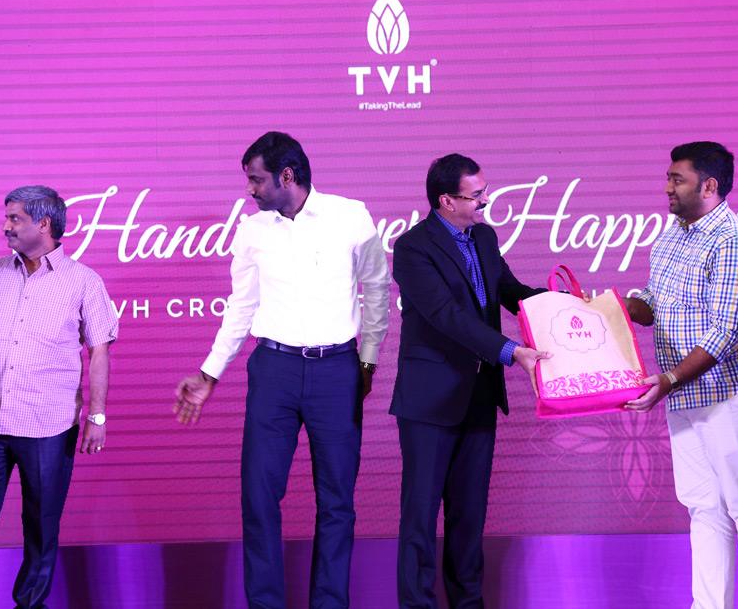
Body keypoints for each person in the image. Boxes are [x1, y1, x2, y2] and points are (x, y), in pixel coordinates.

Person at [174, 131, 390, 609]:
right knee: (258, 496)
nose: (249, 189)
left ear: (286, 176)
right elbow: (241, 306)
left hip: (337, 371)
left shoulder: (350, 216)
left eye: (256, 180)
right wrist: (209, 374)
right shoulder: (253, 230)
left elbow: (377, 288)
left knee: (337, 501)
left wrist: (369, 358)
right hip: (273, 371)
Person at [0, 185, 118, 609]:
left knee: (41, 524)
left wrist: (97, 416)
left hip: (48, 427)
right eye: (6, 217)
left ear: (44, 224)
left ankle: (30, 603)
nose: (5, 226)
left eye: (14, 218)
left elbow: (99, 352)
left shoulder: (83, 282)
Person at [390, 153, 548, 609]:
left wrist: (564, 306)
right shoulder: (412, 248)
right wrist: (511, 351)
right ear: (446, 200)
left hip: (479, 394)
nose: (485, 201)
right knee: (420, 517)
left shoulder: (484, 236)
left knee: (469, 515)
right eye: (477, 195)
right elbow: (446, 315)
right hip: (429, 401)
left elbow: (510, 293)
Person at [624, 142, 738, 609]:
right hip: (685, 397)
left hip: (730, 395)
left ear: (709, 186)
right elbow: (653, 301)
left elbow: (724, 332)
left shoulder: (736, 243)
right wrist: (611, 310)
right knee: (704, 508)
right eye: (668, 178)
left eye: (678, 179)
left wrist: (668, 379)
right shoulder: (673, 233)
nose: (667, 187)